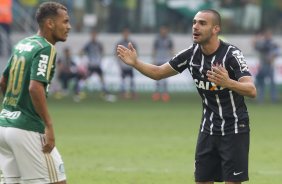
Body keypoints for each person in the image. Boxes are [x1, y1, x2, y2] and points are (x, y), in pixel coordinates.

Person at [117, 9, 257, 184]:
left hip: (235, 129)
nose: (195, 27)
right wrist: (136, 63)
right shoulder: (191, 54)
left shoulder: (231, 54)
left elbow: (251, 90)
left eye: (202, 23)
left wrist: (229, 83)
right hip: (208, 129)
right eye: (194, 22)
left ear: (216, 29)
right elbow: (159, 72)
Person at [0, 2, 71, 184]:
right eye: (65, 22)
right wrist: (48, 125)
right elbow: (35, 87)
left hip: (5, 126)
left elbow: (3, 81)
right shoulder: (45, 48)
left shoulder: (23, 44)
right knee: (58, 181)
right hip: (27, 128)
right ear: (50, 23)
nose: (68, 27)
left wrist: (12, 107)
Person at [253, 29, 279, 103]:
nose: (268, 36)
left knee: (270, 83)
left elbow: (277, 52)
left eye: (269, 35)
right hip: (264, 65)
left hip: (270, 65)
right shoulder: (263, 43)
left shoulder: (272, 44)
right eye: (267, 35)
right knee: (262, 82)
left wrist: (273, 56)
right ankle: (261, 99)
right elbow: (256, 46)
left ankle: (273, 99)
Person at [82, 29, 109, 97]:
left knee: (102, 78)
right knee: (85, 78)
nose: (93, 36)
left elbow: (103, 51)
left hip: (97, 65)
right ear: (91, 35)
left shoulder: (99, 44)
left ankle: (105, 92)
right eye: (92, 35)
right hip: (91, 65)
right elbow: (82, 51)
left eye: (95, 35)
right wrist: (84, 59)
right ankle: (78, 90)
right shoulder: (88, 44)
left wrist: (101, 58)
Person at [152, 25, 174, 102]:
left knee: (165, 78)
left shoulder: (169, 39)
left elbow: (171, 50)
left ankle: (165, 94)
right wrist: (154, 59)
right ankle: (157, 93)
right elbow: (154, 50)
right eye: (162, 29)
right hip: (158, 60)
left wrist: (173, 59)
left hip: (166, 61)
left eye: (165, 30)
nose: (163, 31)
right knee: (157, 77)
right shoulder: (157, 39)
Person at [115, 28, 137, 99]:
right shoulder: (119, 43)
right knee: (123, 80)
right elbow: (116, 53)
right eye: (125, 33)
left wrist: (134, 62)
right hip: (123, 65)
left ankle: (133, 93)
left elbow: (136, 53)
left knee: (132, 80)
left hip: (130, 65)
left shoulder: (132, 43)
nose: (126, 35)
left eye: (127, 33)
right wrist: (119, 62)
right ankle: (123, 93)